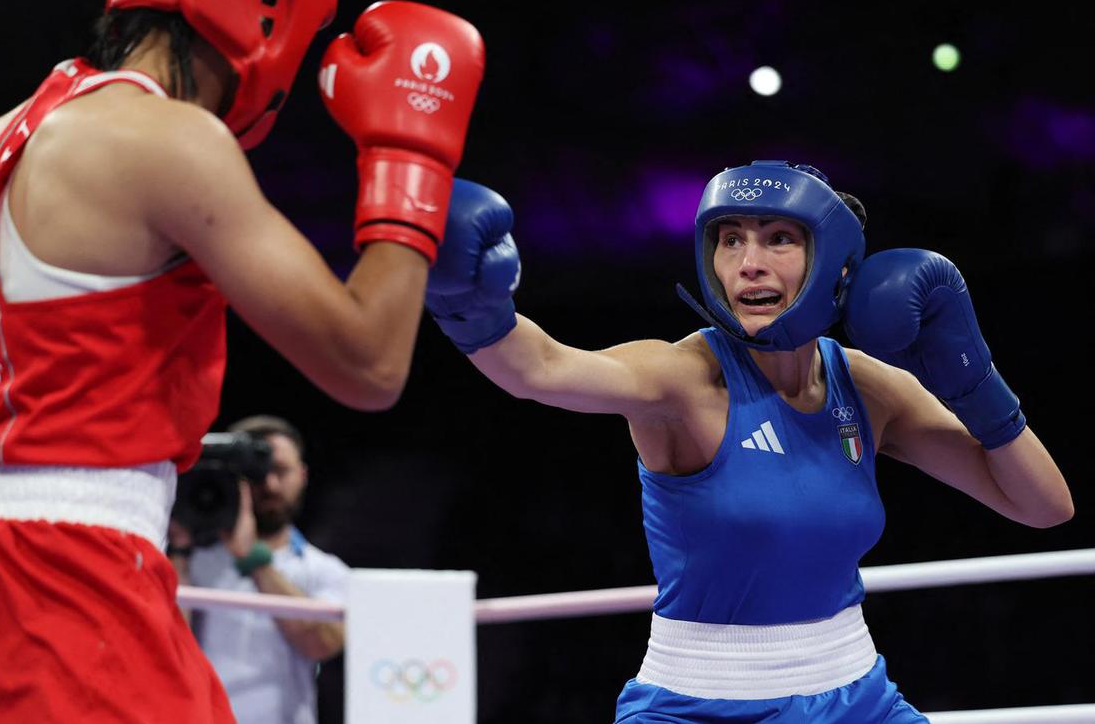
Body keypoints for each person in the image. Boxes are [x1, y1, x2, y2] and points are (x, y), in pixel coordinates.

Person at [0, 0, 484, 723]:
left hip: (1, 571)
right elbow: (368, 364)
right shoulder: (173, 141)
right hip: (74, 579)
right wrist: (412, 156)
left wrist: (52, 373)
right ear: (263, 6)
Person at [424, 163, 1073, 723]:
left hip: (857, 696)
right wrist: (472, 306)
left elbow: (1043, 505)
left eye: (780, 238)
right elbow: (540, 369)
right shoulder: (685, 379)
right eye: (729, 239)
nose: (748, 262)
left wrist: (975, 380)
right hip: (699, 702)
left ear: (833, 262)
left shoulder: (868, 386)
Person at [169, 415, 348, 724]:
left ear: (302, 475)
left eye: (280, 471)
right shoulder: (184, 558)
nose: (270, 485)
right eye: (257, 474)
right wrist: (179, 551)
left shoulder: (325, 570)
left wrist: (252, 557)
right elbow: (164, 648)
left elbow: (322, 645)